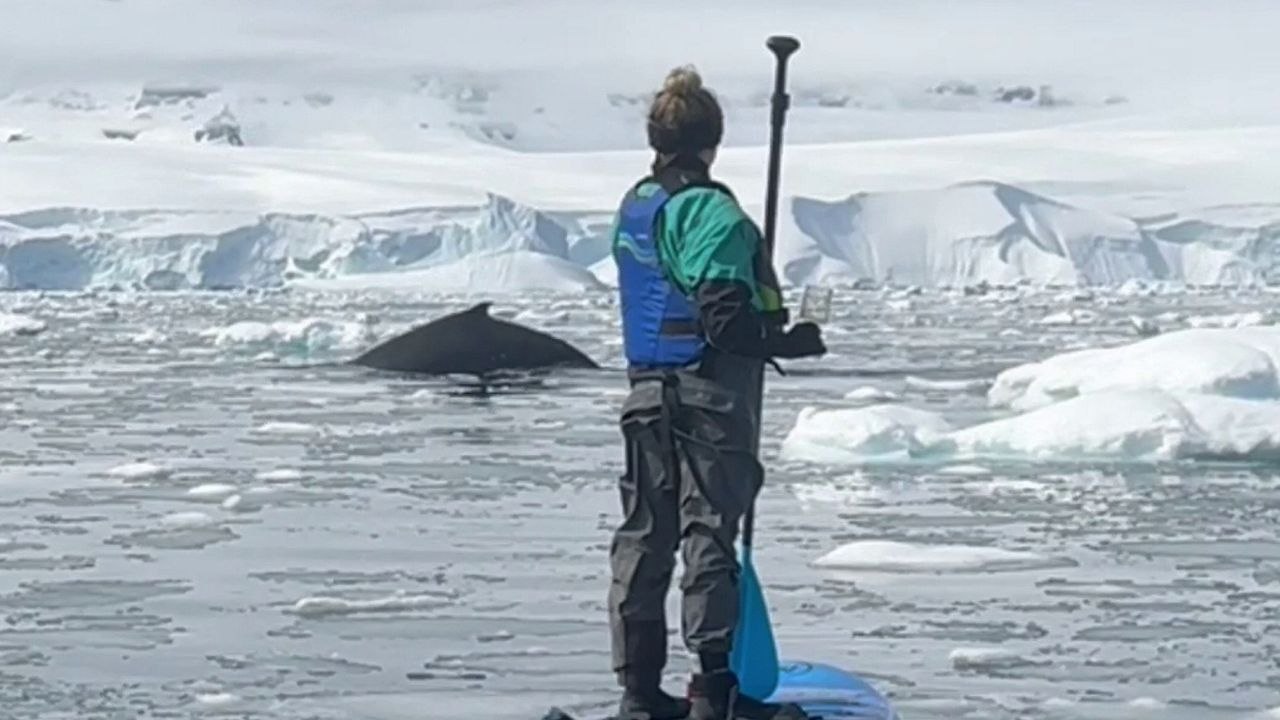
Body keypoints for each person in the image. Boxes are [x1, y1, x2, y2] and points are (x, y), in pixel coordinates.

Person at [607, 65, 826, 720]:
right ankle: (714, 696)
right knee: (709, 536)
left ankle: (639, 695)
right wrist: (790, 342)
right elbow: (725, 319)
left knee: (645, 537)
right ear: (712, 141)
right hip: (707, 399)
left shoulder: (638, 206)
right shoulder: (713, 214)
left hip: (647, 393)